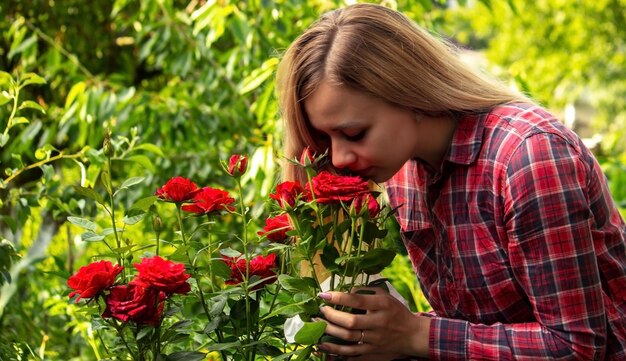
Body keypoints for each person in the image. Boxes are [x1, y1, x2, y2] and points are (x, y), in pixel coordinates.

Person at [275, 3, 626, 360]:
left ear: (410, 93)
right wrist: (383, 331)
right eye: (327, 139)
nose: (338, 159)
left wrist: (416, 334)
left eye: (353, 132)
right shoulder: (404, 172)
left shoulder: (527, 157)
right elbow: (476, 322)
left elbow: (579, 347)